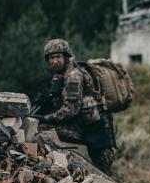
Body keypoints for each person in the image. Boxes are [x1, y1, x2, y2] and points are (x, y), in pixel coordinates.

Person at [37, 39, 116, 175]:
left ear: (66, 57)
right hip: (82, 126)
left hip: (96, 129)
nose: (55, 61)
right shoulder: (61, 75)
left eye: (58, 57)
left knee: (105, 174)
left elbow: (70, 110)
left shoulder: (74, 76)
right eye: (51, 58)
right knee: (42, 130)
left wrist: (45, 118)